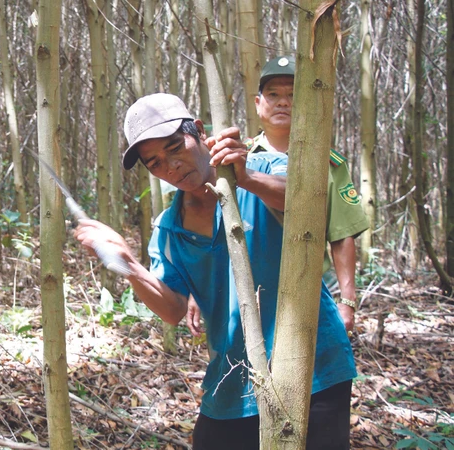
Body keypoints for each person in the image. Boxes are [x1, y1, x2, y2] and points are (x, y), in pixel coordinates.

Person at [75, 93, 356, 449]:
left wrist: (246, 178)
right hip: (234, 380)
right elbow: (173, 309)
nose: (171, 166)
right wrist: (129, 266)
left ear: (199, 132)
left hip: (312, 365)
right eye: (156, 163)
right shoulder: (168, 230)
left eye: (175, 148)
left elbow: (305, 202)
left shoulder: (265, 166)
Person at [189, 55, 368, 335]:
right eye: (273, 94)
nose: (283, 102)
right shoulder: (233, 159)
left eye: (293, 95)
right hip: (247, 294)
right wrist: (199, 289)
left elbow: (342, 234)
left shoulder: (326, 163)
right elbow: (214, 230)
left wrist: (347, 301)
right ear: (258, 103)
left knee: (323, 373)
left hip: (311, 290)